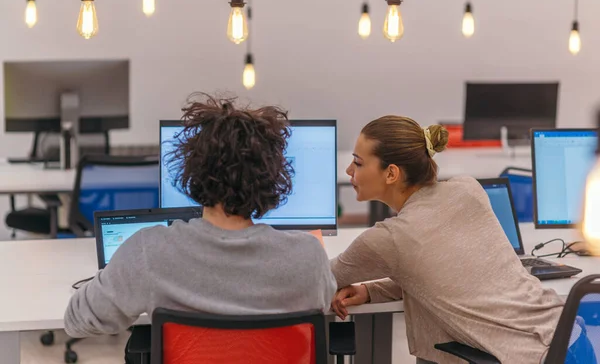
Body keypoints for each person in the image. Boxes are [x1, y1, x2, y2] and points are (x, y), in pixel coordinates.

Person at [64, 95, 336, 351]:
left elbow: (77, 320)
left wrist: (113, 277)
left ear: (193, 172)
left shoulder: (148, 251)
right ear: (273, 178)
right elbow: (324, 303)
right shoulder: (309, 257)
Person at [329, 115, 593, 364]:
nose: (349, 169)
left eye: (359, 162)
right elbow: (438, 272)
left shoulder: (389, 238)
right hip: (575, 341)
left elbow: (318, 278)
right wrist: (370, 291)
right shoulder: (468, 189)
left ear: (391, 174)